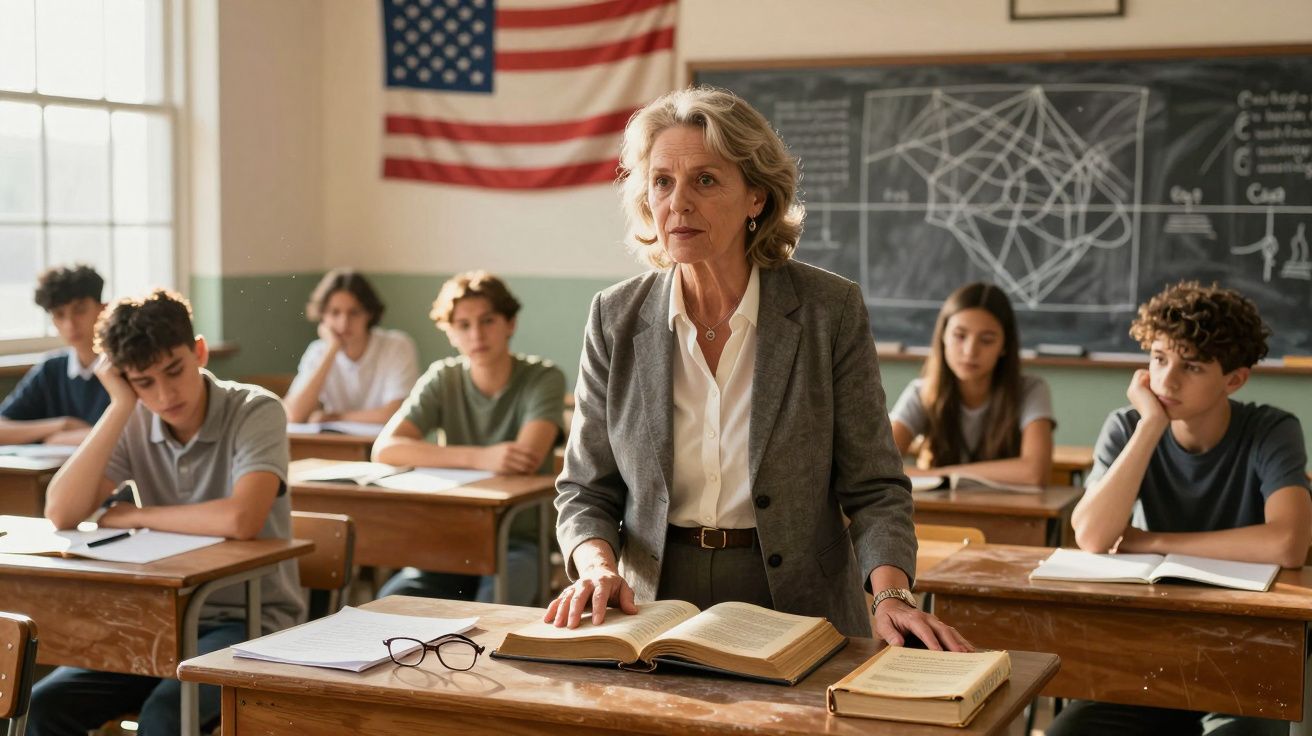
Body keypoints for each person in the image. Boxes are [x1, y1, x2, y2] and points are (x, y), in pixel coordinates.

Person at [546, 86, 970, 651]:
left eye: (705, 179)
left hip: (799, 598)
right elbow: (584, 489)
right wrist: (597, 565)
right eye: (662, 182)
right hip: (651, 598)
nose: (679, 203)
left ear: (757, 199)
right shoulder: (614, 317)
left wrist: (889, 595)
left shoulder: (829, 310)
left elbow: (874, 487)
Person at [31, 288, 304, 736]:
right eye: (143, 382)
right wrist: (120, 406)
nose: (164, 394)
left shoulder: (256, 408)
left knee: (164, 718)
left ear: (199, 352)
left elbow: (242, 519)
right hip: (158, 620)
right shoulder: (134, 416)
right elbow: (60, 511)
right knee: (45, 707)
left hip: (253, 621)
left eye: (174, 371)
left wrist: (136, 515)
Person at [1051, 280, 1309, 736]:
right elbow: (1091, 536)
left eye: (1191, 366)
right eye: (1158, 358)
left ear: (1234, 379)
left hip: (1246, 658)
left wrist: (1151, 541)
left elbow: (1288, 543)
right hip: (1150, 656)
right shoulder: (1128, 426)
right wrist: (1151, 424)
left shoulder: (1272, 430)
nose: (1167, 381)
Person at [372, 271, 565, 605]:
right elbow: (386, 449)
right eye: (463, 325)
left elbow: (525, 459)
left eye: (487, 320)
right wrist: (482, 457)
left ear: (510, 324)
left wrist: (436, 455)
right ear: (450, 333)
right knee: (390, 601)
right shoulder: (442, 377)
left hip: (520, 541)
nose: (476, 334)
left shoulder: (542, 377)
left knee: (491, 611)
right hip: (453, 538)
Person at [889, 282, 1055, 486]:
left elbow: (1035, 473)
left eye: (986, 340)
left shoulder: (1031, 390)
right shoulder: (921, 392)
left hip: (1007, 514)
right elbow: (880, 465)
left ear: (1004, 346)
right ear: (943, 337)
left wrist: (940, 475)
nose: (970, 351)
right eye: (959, 336)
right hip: (938, 514)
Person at [283, 268, 418, 424]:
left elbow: (396, 414)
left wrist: (336, 417)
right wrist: (332, 349)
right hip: (335, 446)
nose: (344, 323)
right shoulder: (318, 352)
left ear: (369, 314)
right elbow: (293, 415)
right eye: (335, 313)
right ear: (323, 316)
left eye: (354, 312)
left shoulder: (397, 346)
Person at [0, 264, 110, 445]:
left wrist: (57, 440)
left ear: (103, 309)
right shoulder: (52, 369)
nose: (70, 324)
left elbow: (127, 437)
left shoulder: (125, 367)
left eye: (80, 310)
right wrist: (61, 426)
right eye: (59, 314)